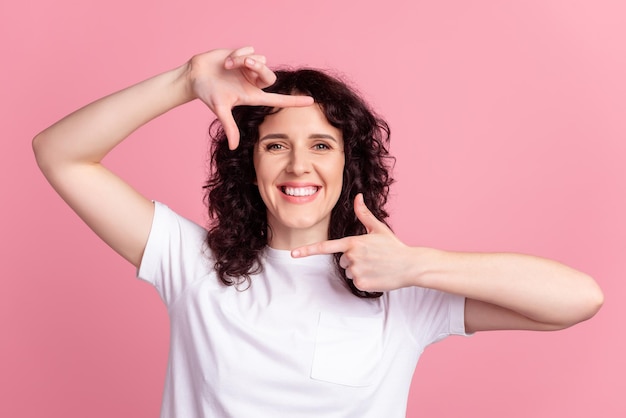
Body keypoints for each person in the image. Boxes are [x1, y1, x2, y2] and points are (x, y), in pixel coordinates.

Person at [33, 47, 604, 417]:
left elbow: (578, 299)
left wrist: (417, 266)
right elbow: (61, 155)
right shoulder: (191, 263)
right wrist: (184, 82)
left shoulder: (398, 291)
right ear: (249, 163)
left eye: (321, 146)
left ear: (347, 167)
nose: (298, 166)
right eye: (276, 145)